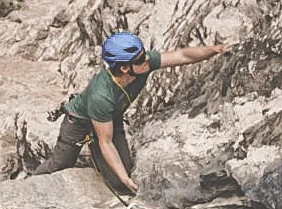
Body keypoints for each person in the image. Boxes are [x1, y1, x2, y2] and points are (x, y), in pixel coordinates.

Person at [30, 31, 230, 196]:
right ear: (125, 67)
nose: (147, 59)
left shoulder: (141, 65)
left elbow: (182, 56)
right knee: (60, 164)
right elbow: (105, 142)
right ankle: (30, 186)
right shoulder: (102, 95)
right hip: (79, 122)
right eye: (141, 58)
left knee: (120, 179)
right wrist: (125, 178)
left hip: (111, 116)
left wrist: (214, 50)